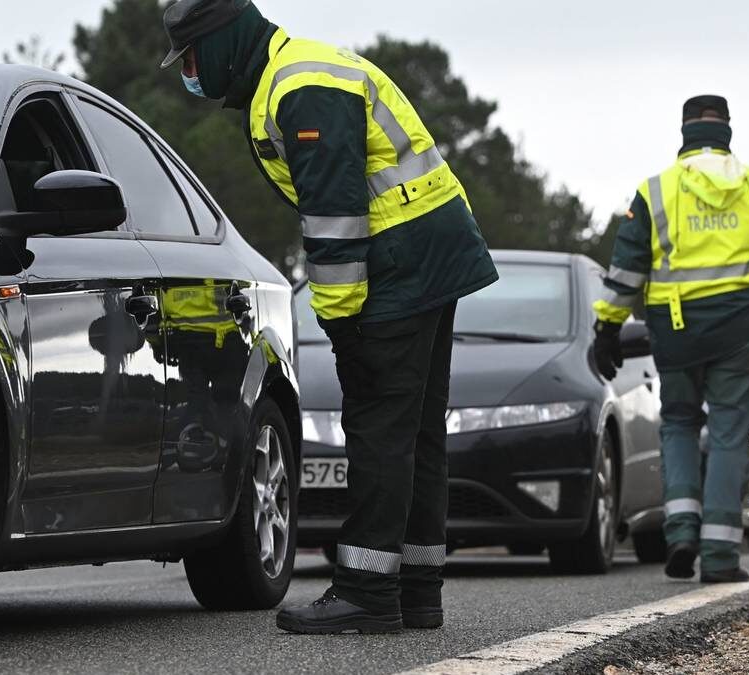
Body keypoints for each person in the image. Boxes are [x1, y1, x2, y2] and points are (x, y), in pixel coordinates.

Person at [159, 0, 498, 633]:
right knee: (415, 429)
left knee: (379, 423)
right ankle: (415, 589)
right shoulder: (293, 73)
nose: (192, 74)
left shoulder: (300, 86)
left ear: (224, 40)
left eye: (193, 58)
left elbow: (335, 217)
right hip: (429, 247)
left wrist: (341, 321)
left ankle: (369, 591)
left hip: (402, 255)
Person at [591, 95, 749, 583]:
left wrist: (608, 326)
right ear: (728, 132)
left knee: (677, 423)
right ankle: (719, 555)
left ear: (684, 132)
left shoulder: (656, 191)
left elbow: (627, 266)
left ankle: (680, 532)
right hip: (740, 329)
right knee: (729, 435)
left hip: (674, 331)